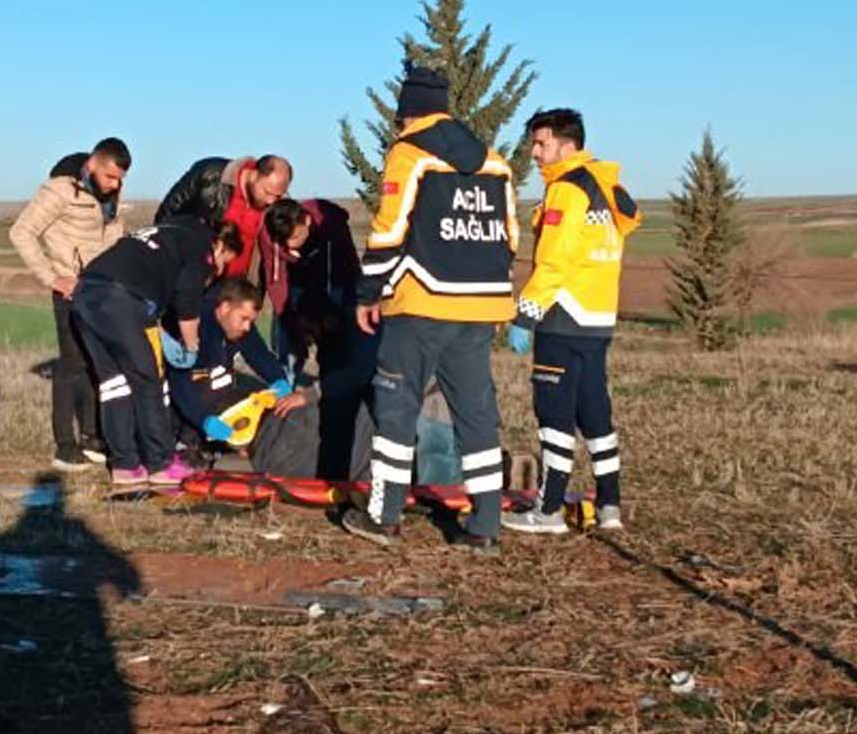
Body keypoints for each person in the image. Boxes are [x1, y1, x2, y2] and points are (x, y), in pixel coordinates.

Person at [342, 64, 518, 552]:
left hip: (420, 304)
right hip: (480, 308)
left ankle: (384, 516)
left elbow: (389, 230)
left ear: (405, 114)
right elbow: (511, 236)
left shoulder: (408, 153)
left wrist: (368, 293)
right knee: (476, 414)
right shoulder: (496, 162)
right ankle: (485, 525)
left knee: (395, 407)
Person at [502, 108, 641, 535]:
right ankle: (610, 504)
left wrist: (527, 314)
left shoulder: (566, 189)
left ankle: (548, 511)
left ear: (566, 144)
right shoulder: (606, 184)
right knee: (595, 411)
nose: (535, 154)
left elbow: (555, 261)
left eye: (541, 144)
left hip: (563, 317)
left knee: (554, 414)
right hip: (598, 317)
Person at [72, 218, 241, 490]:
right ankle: (160, 463)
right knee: (149, 380)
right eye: (223, 261)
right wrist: (191, 347)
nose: (218, 270)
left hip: (86, 292)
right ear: (219, 245)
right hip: (122, 298)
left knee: (114, 383)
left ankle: (125, 465)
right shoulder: (200, 249)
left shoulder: (169, 234)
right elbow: (187, 303)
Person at [166, 277, 373, 480]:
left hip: (226, 399)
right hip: (197, 411)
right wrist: (203, 420)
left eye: (251, 321)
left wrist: (279, 381)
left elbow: (260, 355)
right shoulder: (195, 329)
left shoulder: (238, 328)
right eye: (244, 319)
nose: (247, 327)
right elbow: (180, 384)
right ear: (225, 307)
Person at [9, 138, 132, 471]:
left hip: (103, 291)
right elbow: (21, 232)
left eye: (120, 179)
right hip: (69, 290)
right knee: (71, 365)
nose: (115, 184)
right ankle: (65, 447)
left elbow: (113, 237)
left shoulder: (111, 196)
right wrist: (53, 278)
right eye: (110, 176)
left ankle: (93, 438)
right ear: (92, 164)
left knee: (99, 363)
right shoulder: (61, 191)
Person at [261, 196, 375, 478]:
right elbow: (278, 283)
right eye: (284, 242)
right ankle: (331, 469)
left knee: (350, 376)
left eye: (296, 237)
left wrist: (312, 394)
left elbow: (356, 372)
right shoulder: (277, 236)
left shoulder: (331, 228)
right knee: (332, 380)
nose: (290, 247)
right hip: (312, 306)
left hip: (342, 302)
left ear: (307, 221)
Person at [155, 154, 292, 279]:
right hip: (192, 275)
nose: (271, 200)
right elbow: (167, 213)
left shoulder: (276, 208)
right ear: (255, 174)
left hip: (237, 290)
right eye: (267, 192)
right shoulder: (210, 174)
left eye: (277, 196)